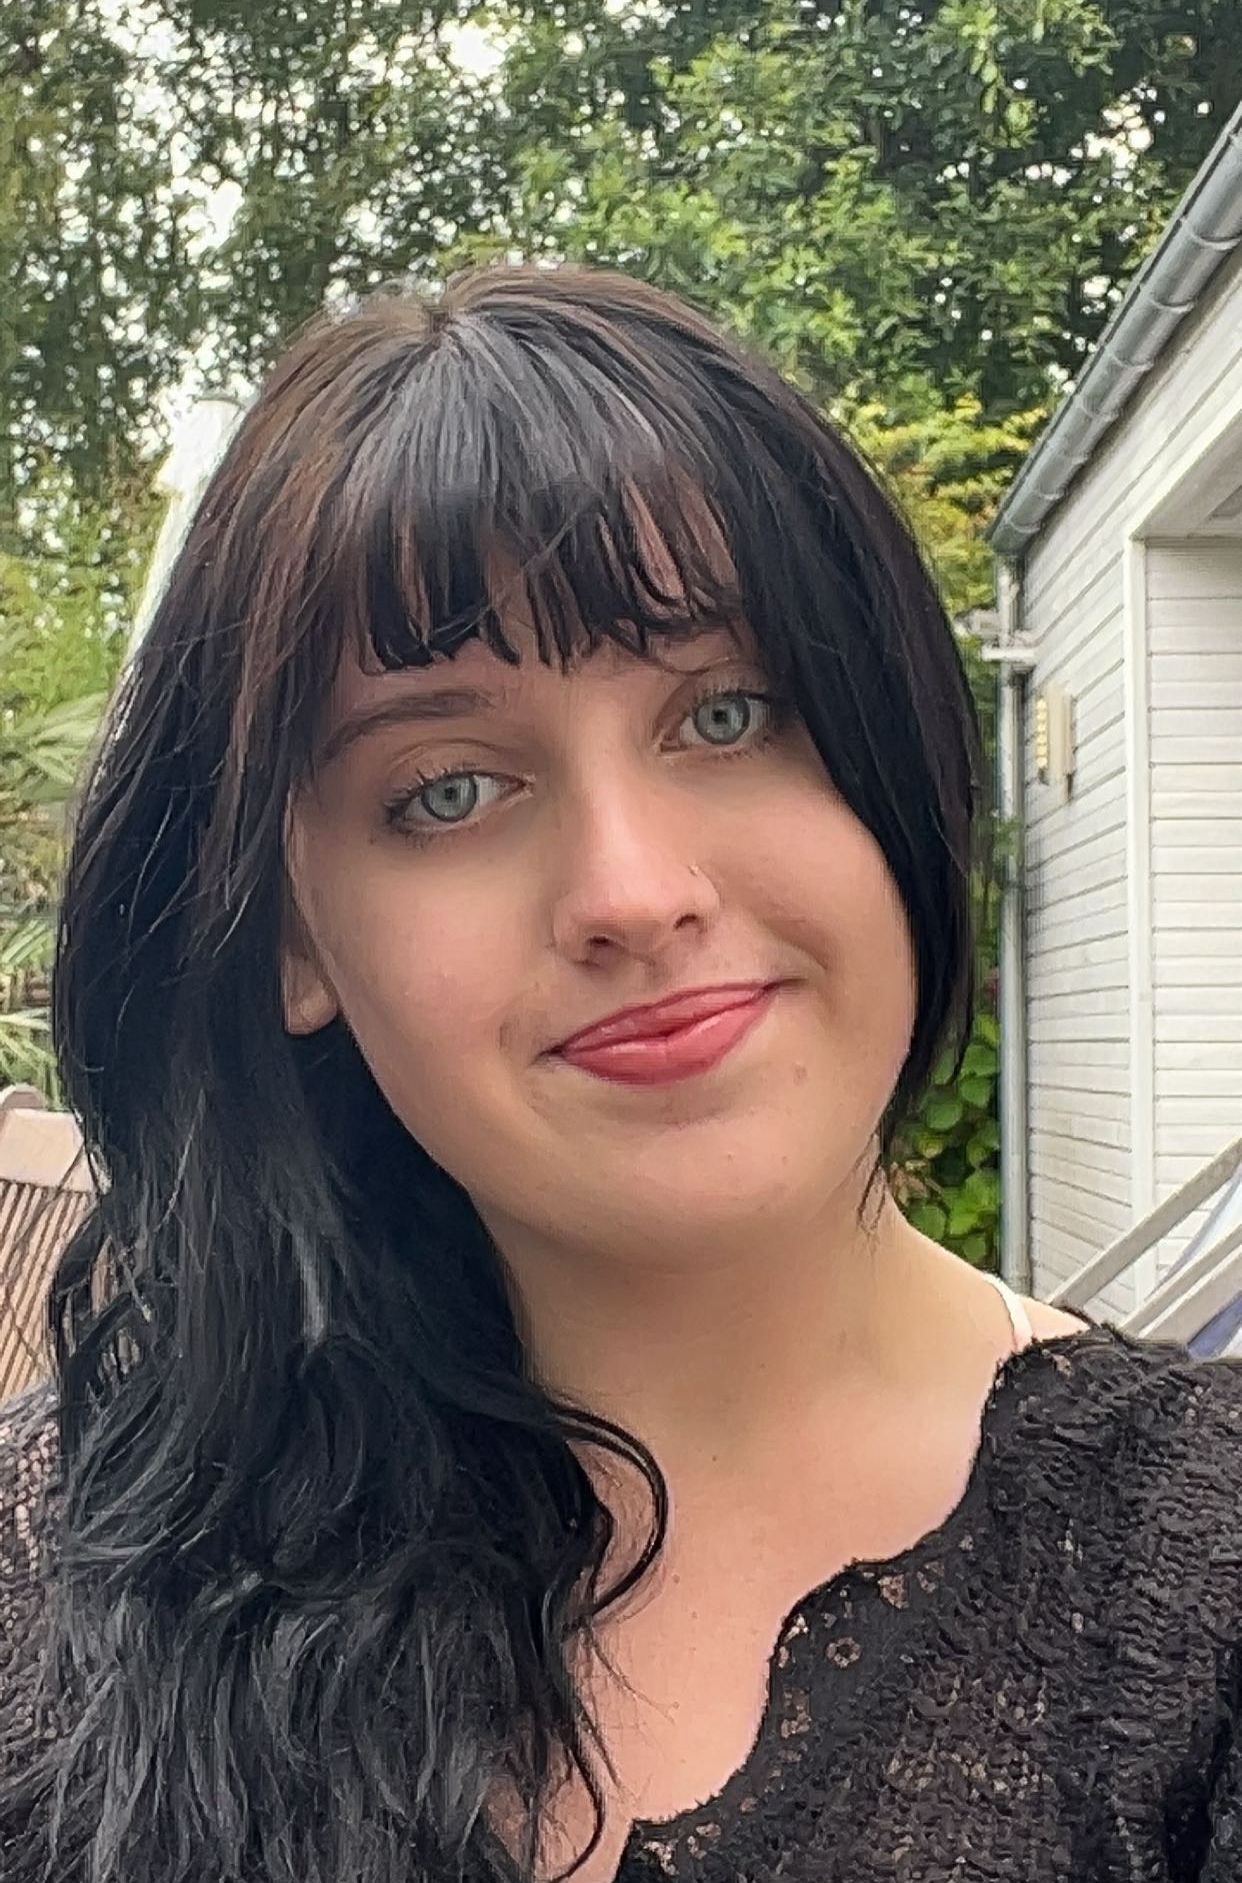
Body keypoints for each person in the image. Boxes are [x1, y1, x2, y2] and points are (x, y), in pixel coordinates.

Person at [1, 263, 1239, 1883]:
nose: (631, 890)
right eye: (446, 791)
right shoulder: (62, 1559)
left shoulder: (1194, 1592)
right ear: (292, 938)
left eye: (726, 712)